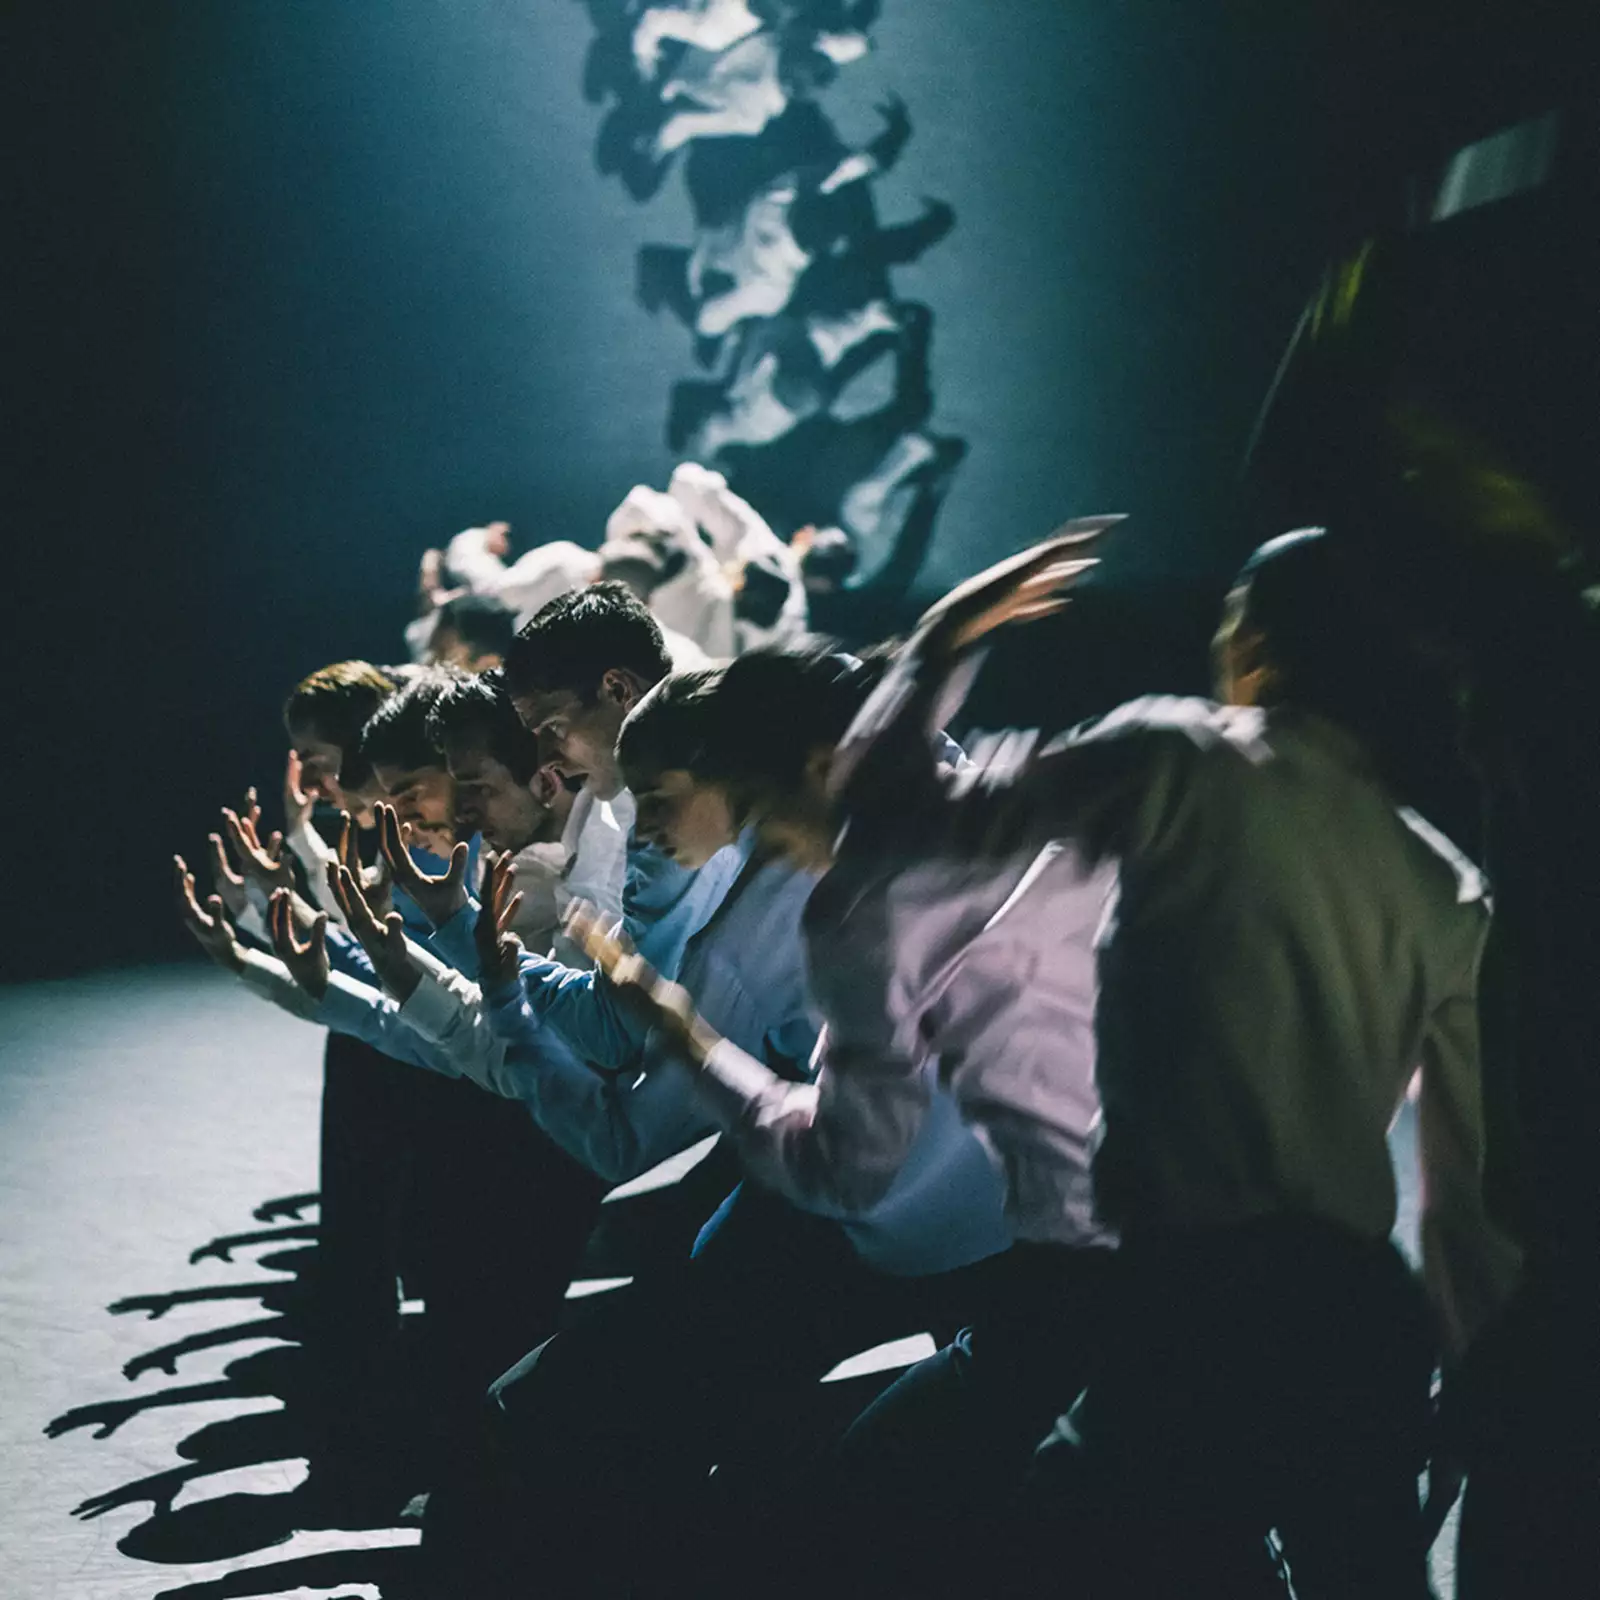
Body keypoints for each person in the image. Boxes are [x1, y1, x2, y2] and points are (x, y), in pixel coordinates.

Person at [585, 525, 1521, 1596]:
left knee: (1015, 1536)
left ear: (1250, 646)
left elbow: (926, 814)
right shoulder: (1445, 886)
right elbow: (1464, 1203)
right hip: (1355, 1312)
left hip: (1184, 1286)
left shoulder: (1178, 752)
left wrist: (933, 652)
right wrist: (1469, 1377)